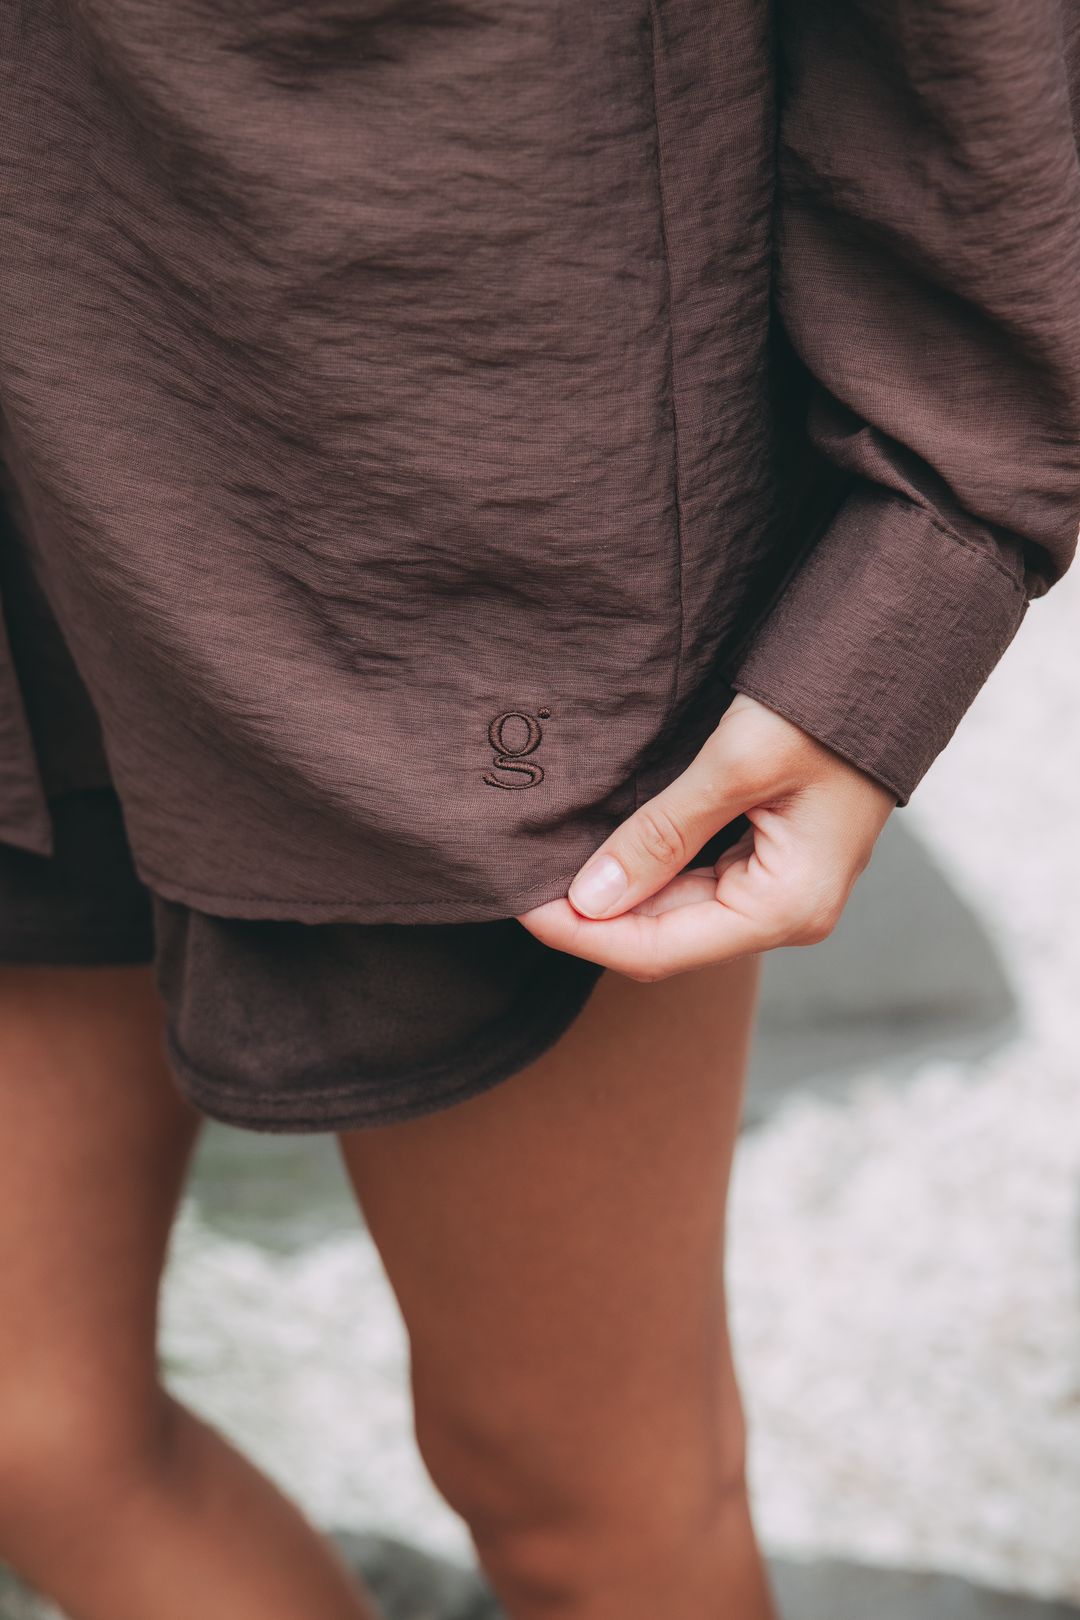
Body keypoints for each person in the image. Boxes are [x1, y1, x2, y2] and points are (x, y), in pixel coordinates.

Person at [1, 3, 1078, 1618]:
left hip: (450, 513)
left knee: (580, 1496)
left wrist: (913, 582)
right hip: (41, 452)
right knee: (29, 1426)